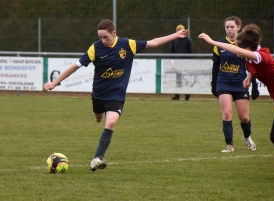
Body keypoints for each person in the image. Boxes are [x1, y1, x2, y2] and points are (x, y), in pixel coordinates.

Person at [44, 19, 189, 172]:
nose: (102, 40)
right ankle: (99, 117)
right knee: (99, 118)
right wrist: (55, 83)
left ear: (114, 33)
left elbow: (154, 43)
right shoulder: (96, 48)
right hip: (98, 95)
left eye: (105, 37)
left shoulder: (127, 45)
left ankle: (96, 159)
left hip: (116, 96)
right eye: (100, 37)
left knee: (111, 122)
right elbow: (75, 66)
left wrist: (176, 34)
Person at [198, 23, 274, 182]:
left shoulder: (261, 55)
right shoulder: (251, 57)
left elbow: (243, 53)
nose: (237, 48)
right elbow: (254, 67)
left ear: (248, 47)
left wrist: (212, 42)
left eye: (240, 46)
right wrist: (248, 77)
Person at [210, 16, 259, 153]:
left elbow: (252, 66)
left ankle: (247, 137)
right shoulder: (219, 44)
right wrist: (214, 85)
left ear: (238, 27)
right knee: (227, 113)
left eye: (232, 27)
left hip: (240, 83)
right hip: (223, 82)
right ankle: (229, 145)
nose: (229, 29)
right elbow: (215, 66)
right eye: (227, 27)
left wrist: (254, 86)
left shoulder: (245, 45)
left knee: (244, 117)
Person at [171, 24, 193, 101]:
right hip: (177, 62)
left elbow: (190, 52)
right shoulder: (175, 40)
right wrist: (173, 60)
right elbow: (173, 52)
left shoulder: (188, 40)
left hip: (186, 62)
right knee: (178, 79)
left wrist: (190, 62)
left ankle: (187, 96)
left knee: (186, 79)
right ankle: (177, 95)